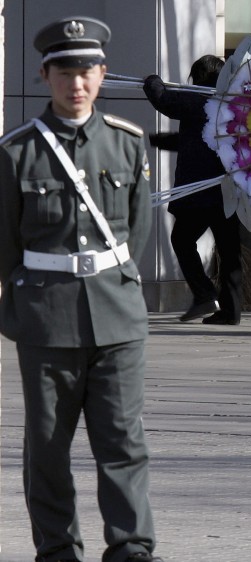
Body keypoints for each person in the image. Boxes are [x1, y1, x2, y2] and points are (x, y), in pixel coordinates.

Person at [0, 16, 163, 562]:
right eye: (65, 70)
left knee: (123, 441)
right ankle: (58, 550)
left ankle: (131, 548)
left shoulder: (126, 144)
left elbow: (136, 231)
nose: (77, 82)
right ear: (45, 74)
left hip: (117, 316)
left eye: (87, 70)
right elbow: (3, 241)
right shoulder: (16, 153)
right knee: (47, 448)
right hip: (45, 319)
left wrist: (112, 281)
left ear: (103, 73)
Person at [143, 55, 243, 325]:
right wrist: (159, 140)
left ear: (200, 76)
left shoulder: (202, 97)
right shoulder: (231, 105)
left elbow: (166, 101)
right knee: (229, 251)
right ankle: (231, 310)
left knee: (182, 240)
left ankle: (204, 294)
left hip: (201, 194)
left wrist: (152, 82)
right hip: (228, 193)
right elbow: (198, 141)